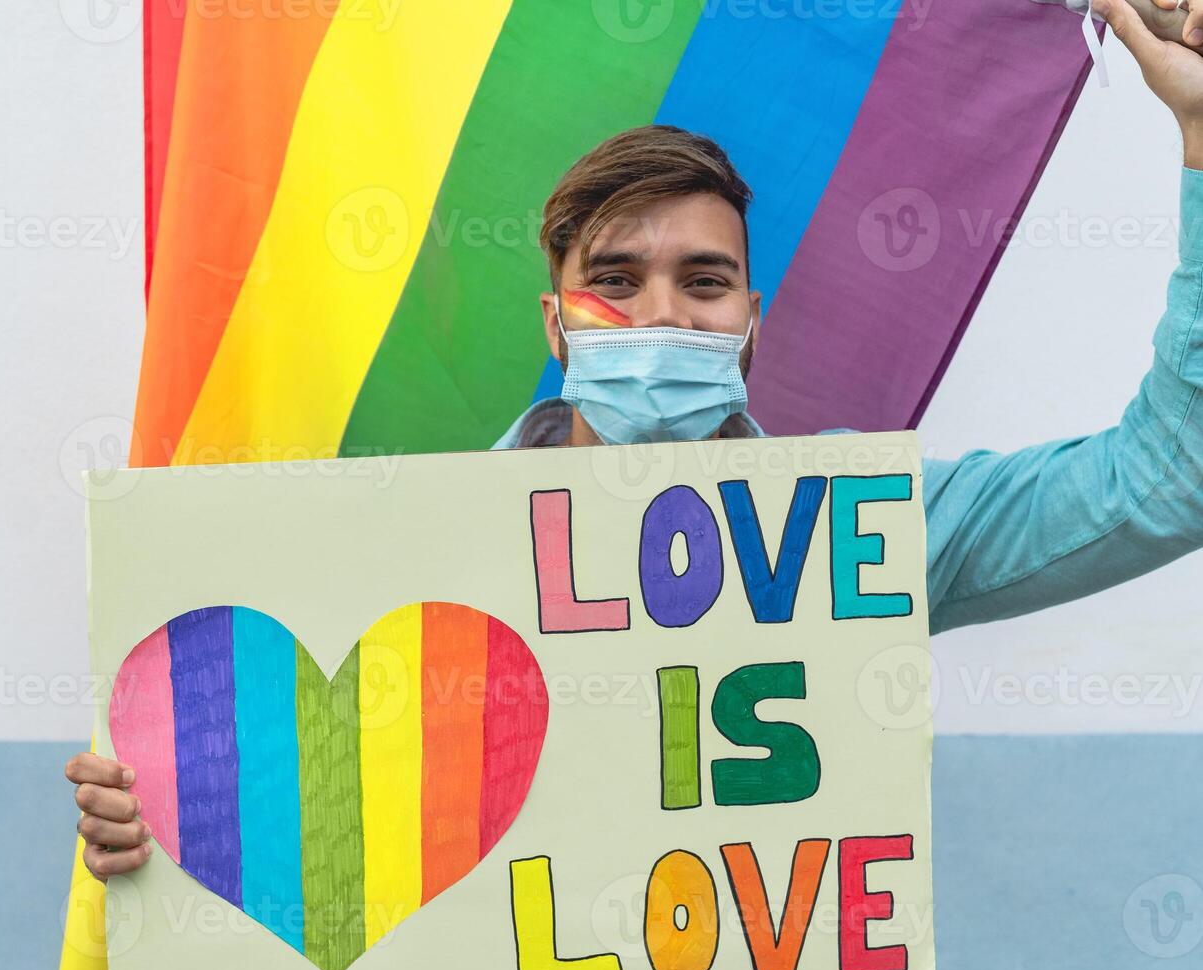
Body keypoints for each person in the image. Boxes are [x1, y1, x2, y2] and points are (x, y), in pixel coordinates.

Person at [65, 0, 1203, 883]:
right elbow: (307, 807)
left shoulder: (857, 531)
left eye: (702, 282)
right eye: (615, 281)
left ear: (751, 324)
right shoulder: (408, 546)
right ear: (556, 326)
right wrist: (163, 820)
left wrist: (1200, 130)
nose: (660, 314)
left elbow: (1168, 477)